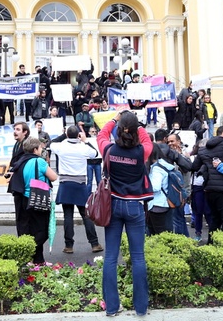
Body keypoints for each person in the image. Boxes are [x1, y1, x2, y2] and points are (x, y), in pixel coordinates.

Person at [98, 111, 153, 317]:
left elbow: (101, 135)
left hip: (112, 205)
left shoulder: (109, 150)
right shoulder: (142, 151)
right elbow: (147, 139)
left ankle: (112, 307)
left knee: (110, 257)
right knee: (138, 257)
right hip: (134, 206)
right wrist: (136, 125)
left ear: (118, 129)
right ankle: (141, 308)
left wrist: (113, 120)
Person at [51, 125, 103, 253]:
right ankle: (94, 243)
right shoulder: (83, 147)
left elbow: (52, 143)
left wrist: (64, 134)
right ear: (78, 135)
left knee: (68, 216)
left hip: (65, 183)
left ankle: (69, 246)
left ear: (68, 135)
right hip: (80, 183)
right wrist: (85, 140)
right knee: (86, 215)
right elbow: (95, 153)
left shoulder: (61, 147)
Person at [21, 137, 58, 264]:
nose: (42, 149)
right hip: (39, 198)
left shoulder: (22, 161)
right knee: (44, 230)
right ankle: (27, 253)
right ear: (35, 149)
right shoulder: (39, 161)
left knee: (33, 229)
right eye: (40, 147)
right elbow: (53, 177)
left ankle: (39, 260)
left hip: (26, 199)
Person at [6, 122, 32, 236]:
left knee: (25, 216)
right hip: (16, 185)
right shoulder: (17, 144)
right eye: (14, 129)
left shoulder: (27, 146)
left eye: (18, 129)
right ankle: (21, 238)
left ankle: (26, 239)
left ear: (25, 132)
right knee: (20, 216)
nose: (15, 132)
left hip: (24, 185)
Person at [148, 145, 176, 235]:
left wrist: (144, 187)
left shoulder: (156, 169)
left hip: (157, 204)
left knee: (158, 234)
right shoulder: (164, 164)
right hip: (165, 202)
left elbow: (155, 187)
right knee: (165, 232)